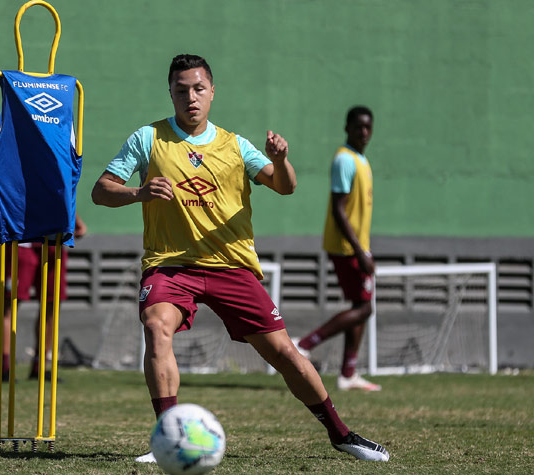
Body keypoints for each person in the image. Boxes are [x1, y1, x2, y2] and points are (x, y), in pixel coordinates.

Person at [91, 55, 389, 462]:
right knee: (156, 325)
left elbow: (285, 187)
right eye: (181, 90)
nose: (190, 98)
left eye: (198, 89)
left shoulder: (235, 146)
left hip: (231, 267)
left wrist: (280, 159)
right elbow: (101, 190)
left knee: (284, 353)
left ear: (213, 92)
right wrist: (139, 193)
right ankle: (169, 436)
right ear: (171, 94)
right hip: (171, 265)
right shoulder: (148, 138)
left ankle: (341, 434)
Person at [292, 106, 381, 392]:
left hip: (356, 247)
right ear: (347, 127)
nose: (364, 132)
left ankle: (348, 374)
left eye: (368, 127)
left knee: (360, 306)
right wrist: (359, 252)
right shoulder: (344, 160)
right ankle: (304, 345)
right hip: (345, 247)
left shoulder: (361, 160)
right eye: (358, 127)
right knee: (365, 307)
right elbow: (339, 210)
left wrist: (364, 249)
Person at [0, 173, 87, 381]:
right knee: (11, 304)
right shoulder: (15, 149)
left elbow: (61, 192)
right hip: (23, 238)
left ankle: (40, 366)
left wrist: (76, 219)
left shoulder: (57, 148)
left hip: (54, 238)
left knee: (52, 304)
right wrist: (15, 190)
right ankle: (6, 366)